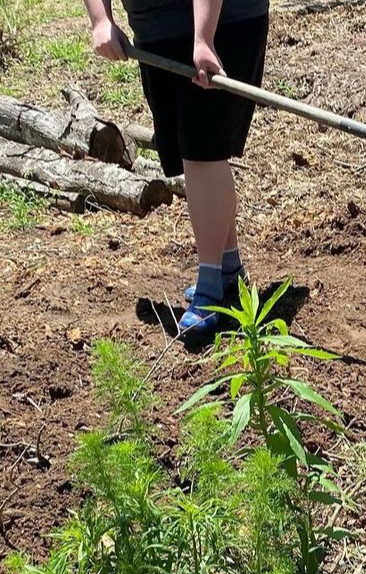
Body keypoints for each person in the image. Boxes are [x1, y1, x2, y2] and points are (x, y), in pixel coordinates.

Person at [83, 0, 269, 335]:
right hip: (157, 32)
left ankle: (211, 288)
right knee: (194, 152)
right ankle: (228, 272)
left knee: (203, 154)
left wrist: (203, 38)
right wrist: (101, 19)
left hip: (223, 25)